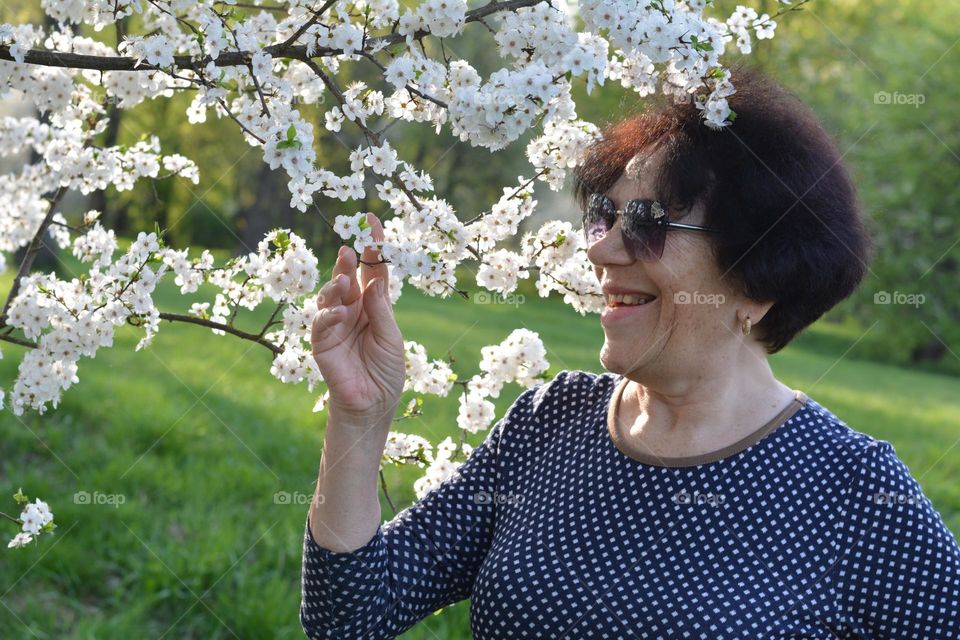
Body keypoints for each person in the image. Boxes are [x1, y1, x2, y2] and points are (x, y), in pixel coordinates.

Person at [300, 66, 960, 639]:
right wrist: (360, 417)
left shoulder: (852, 490)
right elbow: (350, 617)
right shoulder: (548, 423)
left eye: (647, 225)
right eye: (603, 215)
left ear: (759, 279)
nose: (600, 249)